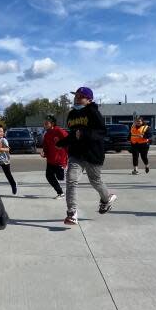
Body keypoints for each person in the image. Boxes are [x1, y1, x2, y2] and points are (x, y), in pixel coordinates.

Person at [56, 87, 116, 225]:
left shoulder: (93, 112)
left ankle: (107, 198)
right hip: (76, 153)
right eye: (76, 96)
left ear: (89, 100)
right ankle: (72, 213)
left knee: (95, 181)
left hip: (93, 154)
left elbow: (102, 132)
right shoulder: (71, 114)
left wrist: (85, 134)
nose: (77, 98)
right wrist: (62, 142)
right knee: (71, 180)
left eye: (80, 97)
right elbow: (73, 134)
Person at [41, 115, 68, 199]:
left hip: (60, 160)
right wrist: (44, 153)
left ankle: (67, 172)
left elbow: (68, 140)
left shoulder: (59, 131)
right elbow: (46, 147)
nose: (44, 124)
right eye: (44, 123)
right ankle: (60, 193)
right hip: (50, 160)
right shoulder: (46, 134)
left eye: (46, 123)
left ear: (52, 123)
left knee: (60, 177)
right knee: (49, 176)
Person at [0, 124, 17, 195]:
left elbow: (8, 149)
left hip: (4, 161)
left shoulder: (3, 140)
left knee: (8, 174)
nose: (1, 133)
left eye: (2, 131)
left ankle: (13, 185)